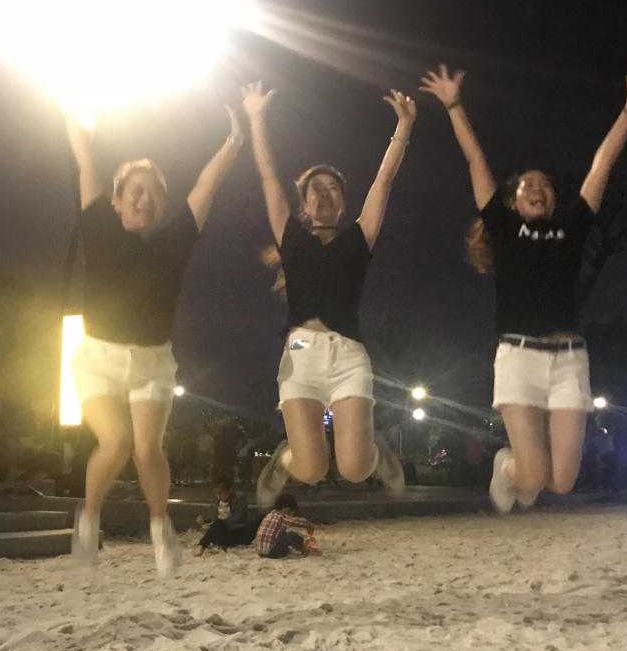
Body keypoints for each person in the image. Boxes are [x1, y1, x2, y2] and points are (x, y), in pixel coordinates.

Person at [420, 64, 627, 513]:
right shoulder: (504, 227)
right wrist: (454, 106)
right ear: (513, 200)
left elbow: (602, 165)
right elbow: (476, 161)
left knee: (562, 482)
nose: (538, 188)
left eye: (545, 184)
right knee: (531, 477)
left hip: (569, 360)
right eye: (528, 184)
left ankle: (525, 470)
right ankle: (507, 466)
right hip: (519, 357)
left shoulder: (571, 228)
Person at [66, 106, 243, 576]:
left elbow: (205, 187)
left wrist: (234, 142)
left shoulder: (175, 241)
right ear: (118, 201)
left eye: (156, 192)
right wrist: (72, 114)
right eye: (136, 191)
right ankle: (89, 518)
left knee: (147, 448)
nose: (146, 199)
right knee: (117, 441)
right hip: (98, 359)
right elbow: (87, 163)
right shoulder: (99, 228)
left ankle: (161, 526)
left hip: (153, 362)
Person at [243, 80, 412, 508]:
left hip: (348, 354)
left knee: (354, 468)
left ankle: (378, 455)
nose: (322, 193)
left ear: (342, 203)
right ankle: (285, 459)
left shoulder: (359, 238)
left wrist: (403, 127)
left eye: (331, 188)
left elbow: (384, 180)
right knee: (312, 469)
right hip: (300, 351)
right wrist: (256, 118)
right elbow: (267, 176)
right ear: (304, 203)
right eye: (314, 188)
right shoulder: (292, 238)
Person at [192, 473, 257, 555]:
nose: (218, 496)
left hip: (238, 532)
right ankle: (203, 544)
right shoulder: (216, 501)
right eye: (216, 493)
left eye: (220, 493)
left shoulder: (240, 498)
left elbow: (237, 518)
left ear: (229, 491)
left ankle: (202, 546)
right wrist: (204, 521)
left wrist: (219, 523)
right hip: (222, 533)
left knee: (255, 522)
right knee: (216, 527)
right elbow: (212, 518)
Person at [254, 493, 316, 559]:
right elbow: (297, 522)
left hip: (260, 552)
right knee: (291, 535)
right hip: (271, 553)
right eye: (292, 512)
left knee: (283, 534)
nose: (292, 515)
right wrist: (309, 525)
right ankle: (305, 550)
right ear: (287, 510)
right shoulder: (281, 517)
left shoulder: (269, 515)